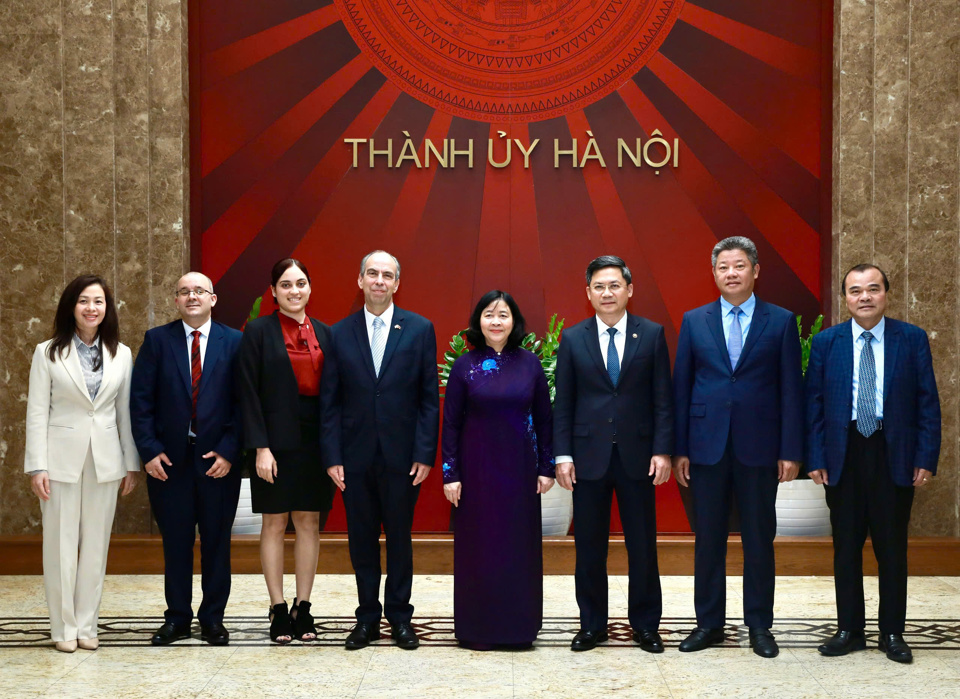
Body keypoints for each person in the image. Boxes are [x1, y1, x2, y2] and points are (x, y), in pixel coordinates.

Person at [672, 236, 802, 658]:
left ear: (755, 270)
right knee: (708, 538)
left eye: (739, 265)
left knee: (759, 539)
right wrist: (680, 449)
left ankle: (760, 626)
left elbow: (790, 391)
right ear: (714, 273)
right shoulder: (694, 321)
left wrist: (790, 449)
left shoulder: (781, 321)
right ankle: (708, 624)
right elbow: (682, 387)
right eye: (723, 266)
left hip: (761, 447)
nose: (731, 273)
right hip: (706, 447)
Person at [806, 264, 940, 664]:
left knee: (892, 549)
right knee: (845, 547)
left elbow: (927, 403)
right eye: (855, 290)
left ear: (886, 293)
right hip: (842, 454)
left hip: (893, 453)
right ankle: (849, 629)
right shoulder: (827, 342)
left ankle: (893, 633)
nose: (864, 297)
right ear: (845, 297)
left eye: (873, 289)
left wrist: (925, 457)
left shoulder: (911, 339)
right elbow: (812, 404)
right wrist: (815, 457)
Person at [553, 255, 673, 653]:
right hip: (587, 458)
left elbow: (662, 400)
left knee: (643, 546)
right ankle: (592, 625)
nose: (607, 293)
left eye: (614, 285)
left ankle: (646, 625)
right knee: (589, 547)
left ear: (629, 290)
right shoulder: (572, 338)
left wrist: (663, 450)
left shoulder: (652, 334)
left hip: (639, 456)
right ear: (588, 293)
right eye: (599, 287)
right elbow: (564, 403)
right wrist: (562, 455)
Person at [320, 250, 440, 650]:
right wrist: (332, 456)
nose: (379, 281)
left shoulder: (420, 329)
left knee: (400, 539)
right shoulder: (338, 333)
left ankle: (400, 618)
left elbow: (428, 399)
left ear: (397, 284)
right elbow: (330, 401)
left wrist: (425, 453)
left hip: (403, 459)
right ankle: (367, 618)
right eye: (371, 273)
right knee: (362, 540)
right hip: (353, 458)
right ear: (360, 280)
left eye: (387, 275)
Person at [24, 274, 139, 653]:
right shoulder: (48, 352)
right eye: (84, 301)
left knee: (95, 546)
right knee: (59, 545)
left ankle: (87, 624)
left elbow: (124, 413)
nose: (92, 308)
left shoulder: (121, 353)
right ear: (71, 306)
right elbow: (37, 413)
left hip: (106, 459)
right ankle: (63, 628)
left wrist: (131, 463)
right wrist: (37, 465)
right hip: (59, 460)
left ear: (107, 308)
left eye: (99, 301)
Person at [129, 272, 243, 646]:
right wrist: (149, 451)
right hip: (169, 464)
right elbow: (140, 401)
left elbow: (246, 404)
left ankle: (213, 619)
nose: (191, 296)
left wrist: (229, 450)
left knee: (216, 543)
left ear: (213, 298)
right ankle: (177, 618)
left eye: (199, 291)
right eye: (184, 292)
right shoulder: (157, 341)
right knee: (175, 544)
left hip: (218, 463)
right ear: (176, 300)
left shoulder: (236, 342)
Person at [441, 291, 555, 650]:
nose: (495, 321)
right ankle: (477, 628)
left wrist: (546, 467)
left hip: (520, 473)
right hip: (475, 475)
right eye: (489, 314)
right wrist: (450, 473)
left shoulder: (530, 364)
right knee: (479, 549)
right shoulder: (464, 366)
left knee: (517, 549)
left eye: (503, 315)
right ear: (478, 322)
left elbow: (544, 420)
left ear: (514, 322)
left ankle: (519, 629)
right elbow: (451, 425)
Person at [236, 259, 334, 644]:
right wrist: (260, 447)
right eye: (286, 284)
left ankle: (303, 606)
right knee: (274, 522)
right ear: (273, 291)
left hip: (315, 442)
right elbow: (247, 393)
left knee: (309, 521)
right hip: (272, 443)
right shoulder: (258, 332)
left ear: (310, 288)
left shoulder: (326, 332)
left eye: (301, 283)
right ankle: (278, 608)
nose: (294, 290)